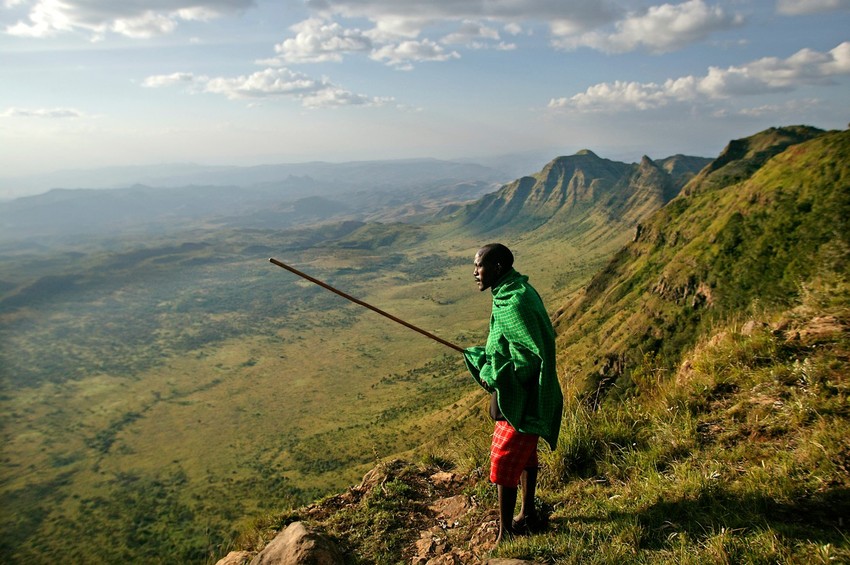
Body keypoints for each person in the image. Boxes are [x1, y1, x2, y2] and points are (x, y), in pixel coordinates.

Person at [463, 243, 563, 544]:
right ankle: (528, 514)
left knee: (503, 461)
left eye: (478, 266)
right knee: (526, 456)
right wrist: (484, 358)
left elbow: (533, 358)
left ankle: (506, 534)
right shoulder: (507, 294)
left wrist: (493, 374)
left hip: (524, 394)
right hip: (517, 392)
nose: (474, 273)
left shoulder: (517, 301)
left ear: (497, 268)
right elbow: (509, 347)